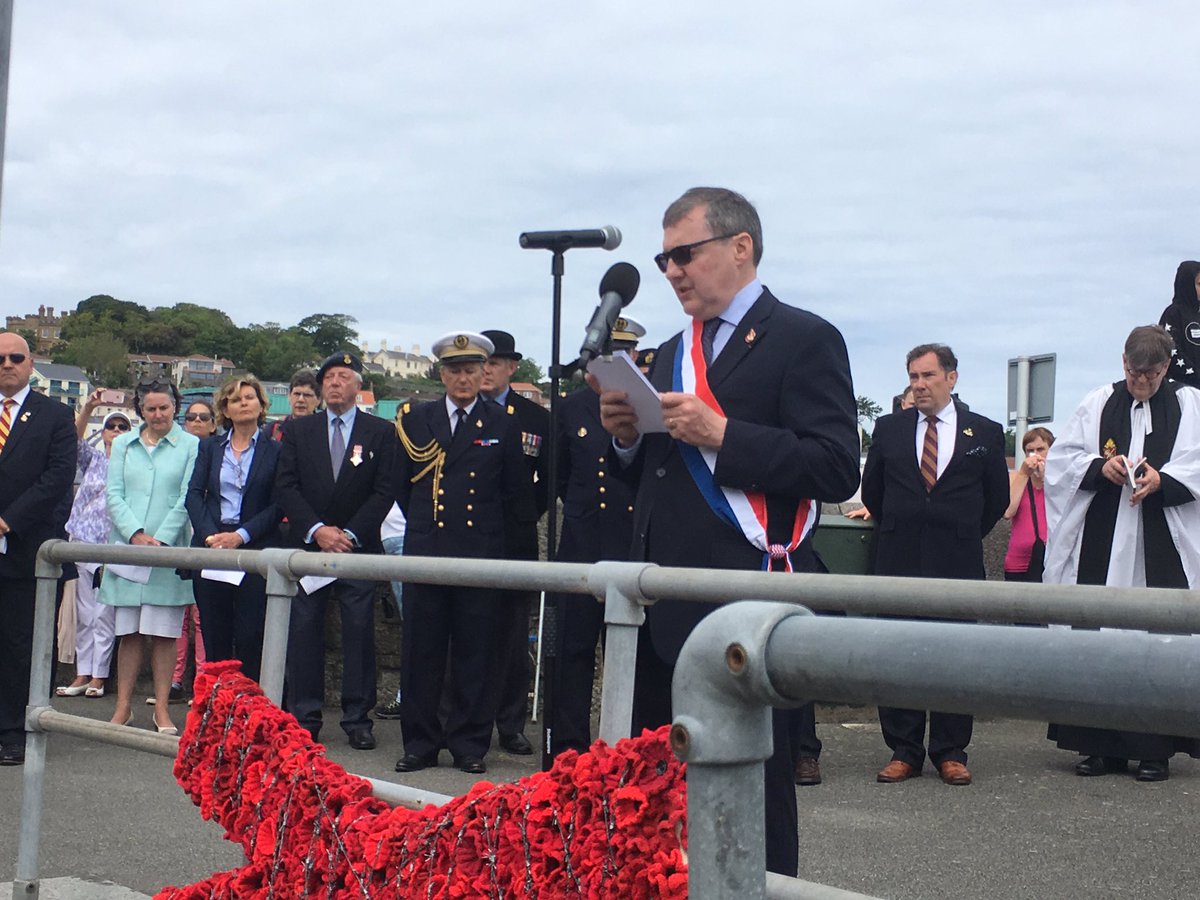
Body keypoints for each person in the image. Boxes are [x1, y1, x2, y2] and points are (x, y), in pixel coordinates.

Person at [594, 187, 860, 876]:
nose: (673, 271)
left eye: (686, 253)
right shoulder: (663, 354)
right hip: (658, 605)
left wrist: (725, 436)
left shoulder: (804, 338)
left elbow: (835, 466)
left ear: (739, 247)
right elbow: (653, 476)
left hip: (742, 601)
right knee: (655, 791)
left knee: (756, 787)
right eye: (664, 260)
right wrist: (625, 440)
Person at [1044, 324, 1200, 782]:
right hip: (1103, 537)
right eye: (1134, 373)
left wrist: (1164, 480)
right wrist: (1099, 465)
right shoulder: (1098, 403)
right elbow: (1061, 461)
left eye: (1150, 376)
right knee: (1096, 636)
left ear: (1166, 367)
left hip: (1162, 540)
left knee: (1158, 642)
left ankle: (1155, 749)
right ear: (1123, 362)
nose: (1141, 383)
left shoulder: (1189, 404)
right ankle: (1098, 747)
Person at [860, 343, 1008, 786]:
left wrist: (956, 532)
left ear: (951, 378)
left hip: (957, 562)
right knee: (897, 655)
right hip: (899, 558)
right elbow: (874, 495)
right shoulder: (889, 429)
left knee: (955, 656)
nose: (919, 385)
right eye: (913, 377)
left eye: (927, 376)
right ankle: (904, 750)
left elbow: (996, 500)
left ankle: (950, 750)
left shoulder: (984, 432)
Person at [393, 332, 537, 776]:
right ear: (442, 374)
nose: (463, 378)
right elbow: (402, 484)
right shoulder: (417, 419)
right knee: (423, 652)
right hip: (428, 550)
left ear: (483, 373)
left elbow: (516, 498)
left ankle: (469, 744)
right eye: (454, 370)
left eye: (471, 370)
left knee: (478, 653)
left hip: (480, 552)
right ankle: (419, 743)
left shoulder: (503, 424)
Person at [274, 351, 395, 750]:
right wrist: (318, 530)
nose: (335, 383)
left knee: (360, 633)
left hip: (357, 549)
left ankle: (357, 718)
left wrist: (351, 534)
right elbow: (286, 487)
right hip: (310, 549)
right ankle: (304, 715)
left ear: (359, 386)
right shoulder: (299, 430)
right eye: (329, 377)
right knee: (304, 632)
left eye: (344, 376)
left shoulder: (380, 431)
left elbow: (384, 491)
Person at [549, 316, 644, 759]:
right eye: (611, 357)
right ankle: (569, 747)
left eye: (627, 355)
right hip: (583, 543)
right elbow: (560, 477)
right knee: (572, 650)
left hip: (631, 545)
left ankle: (628, 747)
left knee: (634, 655)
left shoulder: (646, 403)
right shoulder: (571, 408)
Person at [99, 379, 200, 735]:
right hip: (128, 546)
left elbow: (188, 497)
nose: (158, 414)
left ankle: (161, 710)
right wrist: (135, 534)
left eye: (164, 407)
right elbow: (114, 494)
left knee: (164, 634)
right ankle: (123, 706)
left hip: (167, 550)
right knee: (128, 633)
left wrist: (161, 539)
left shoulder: (191, 445)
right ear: (141, 410)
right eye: (151, 408)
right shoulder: (123, 444)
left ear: (176, 406)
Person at [0, 333, 77, 766]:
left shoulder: (55, 415)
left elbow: (58, 476)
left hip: (24, 547)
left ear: (30, 364)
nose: (7, 364)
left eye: (16, 357)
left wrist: (8, 520)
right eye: (0, 358)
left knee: (20, 644)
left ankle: (15, 730)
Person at [479, 328, 549, 756]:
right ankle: (462, 721)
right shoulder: (456, 413)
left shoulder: (536, 419)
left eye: (494, 363)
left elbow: (549, 480)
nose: (485, 371)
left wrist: (526, 513)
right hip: (463, 540)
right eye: (479, 362)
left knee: (511, 638)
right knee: (463, 637)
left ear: (511, 368)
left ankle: (510, 725)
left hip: (514, 539)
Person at [186, 377, 281, 681]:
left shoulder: (275, 451)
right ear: (224, 409)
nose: (243, 403)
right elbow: (194, 494)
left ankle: (248, 710)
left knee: (251, 636)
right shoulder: (210, 448)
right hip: (212, 549)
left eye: (249, 397)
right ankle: (217, 711)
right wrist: (211, 536)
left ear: (261, 405)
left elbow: (279, 505)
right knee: (215, 638)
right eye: (235, 399)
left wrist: (241, 535)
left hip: (253, 550)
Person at [55, 392, 129, 699]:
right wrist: (89, 408)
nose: (115, 431)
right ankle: (82, 673)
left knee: (104, 614)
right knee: (84, 613)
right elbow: (72, 441)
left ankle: (99, 675)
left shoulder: (133, 465)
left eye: (122, 426)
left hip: (111, 546)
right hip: (81, 540)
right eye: (111, 426)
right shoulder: (95, 459)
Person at [1003, 427, 1054, 582]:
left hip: (1050, 558)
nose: (1036, 455)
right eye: (1030, 450)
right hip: (1018, 562)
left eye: (1041, 449)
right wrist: (1025, 474)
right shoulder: (1015, 477)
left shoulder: (1058, 479)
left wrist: (1046, 478)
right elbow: (1007, 512)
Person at [1157, 261, 1200, 389]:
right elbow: (1169, 348)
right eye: (1199, 284)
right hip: (1180, 387)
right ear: (1186, 285)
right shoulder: (1173, 313)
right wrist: (1195, 375)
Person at [264, 369, 320, 441]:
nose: (301, 400)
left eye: (307, 395)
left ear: (319, 399)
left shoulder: (326, 433)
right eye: (297, 394)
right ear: (289, 396)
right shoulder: (273, 430)